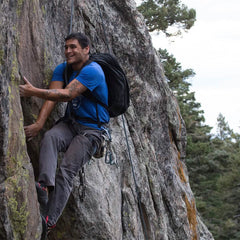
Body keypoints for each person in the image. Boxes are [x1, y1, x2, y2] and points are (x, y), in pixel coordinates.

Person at [19, 32, 109, 239]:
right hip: (72, 123)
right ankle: (43, 186)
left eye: (73, 47)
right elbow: (52, 96)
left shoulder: (93, 71)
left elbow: (67, 95)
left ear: (86, 49)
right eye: (66, 47)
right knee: (50, 137)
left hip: (92, 130)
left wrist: (33, 91)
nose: (68, 51)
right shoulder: (63, 69)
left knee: (67, 169)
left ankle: (49, 220)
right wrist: (40, 123)